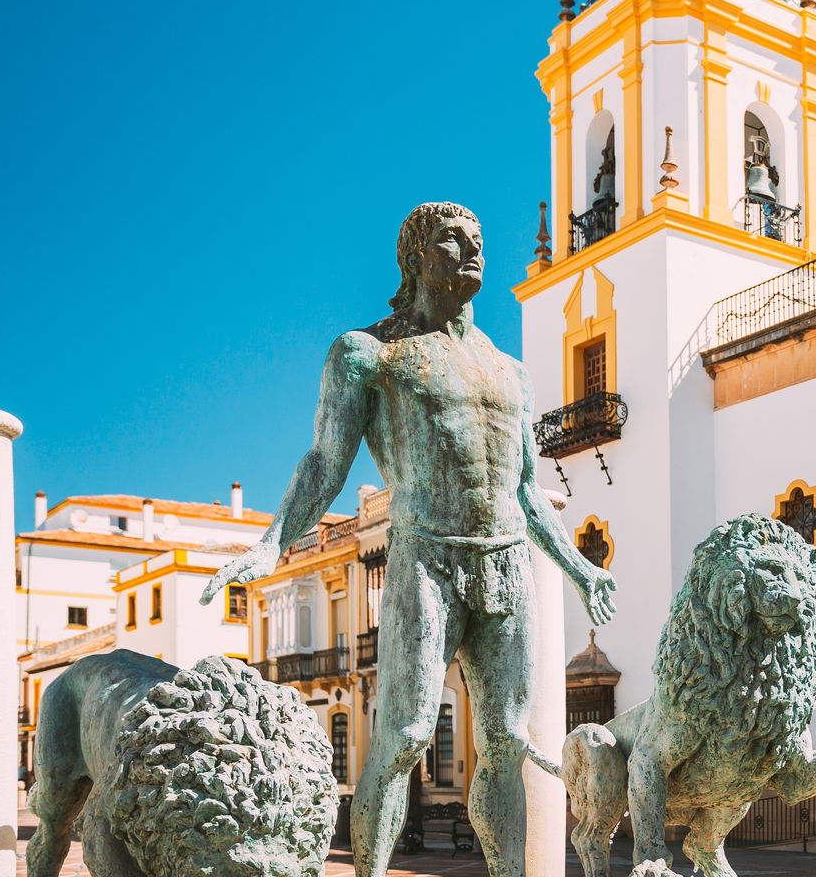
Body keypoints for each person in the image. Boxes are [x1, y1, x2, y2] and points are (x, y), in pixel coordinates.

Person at [202, 201, 617, 877]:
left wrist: (579, 568)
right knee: (402, 736)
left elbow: (522, 492)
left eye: (478, 239)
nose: (474, 250)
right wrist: (272, 542)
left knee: (509, 740)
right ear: (416, 257)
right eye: (454, 240)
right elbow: (323, 465)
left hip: (506, 562)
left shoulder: (512, 372)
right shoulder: (368, 353)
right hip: (427, 557)